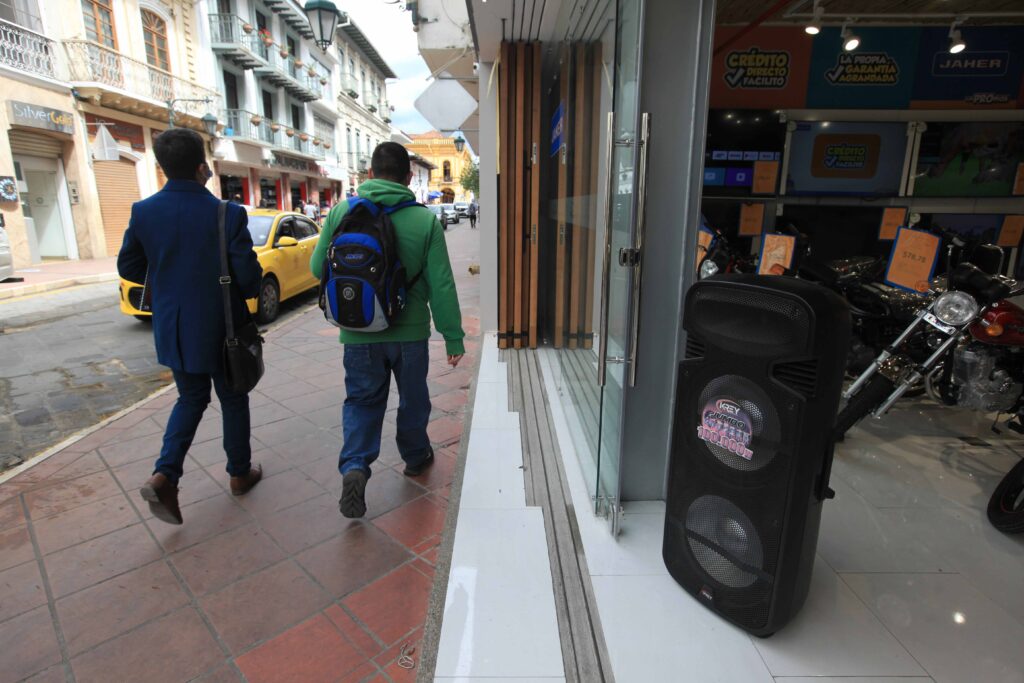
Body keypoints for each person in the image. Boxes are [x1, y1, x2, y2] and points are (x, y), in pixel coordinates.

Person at [310, 142, 465, 518]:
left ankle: (355, 467)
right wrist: (453, 335)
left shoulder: (342, 212)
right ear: (409, 178)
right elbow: (441, 284)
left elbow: (318, 269)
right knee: (413, 398)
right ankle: (415, 457)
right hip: (410, 333)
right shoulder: (424, 220)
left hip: (359, 332)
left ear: (368, 175)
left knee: (363, 401)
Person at [117, 128, 264, 525]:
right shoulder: (226, 213)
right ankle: (238, 473)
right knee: (233, 397)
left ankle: (166, 474)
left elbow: (128, 267)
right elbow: (249, 280)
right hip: (222, 325)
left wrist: (171, 274)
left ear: (163, 168)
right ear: (203, 168)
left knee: (190, 399)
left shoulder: (143, 212)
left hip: (175, 327)